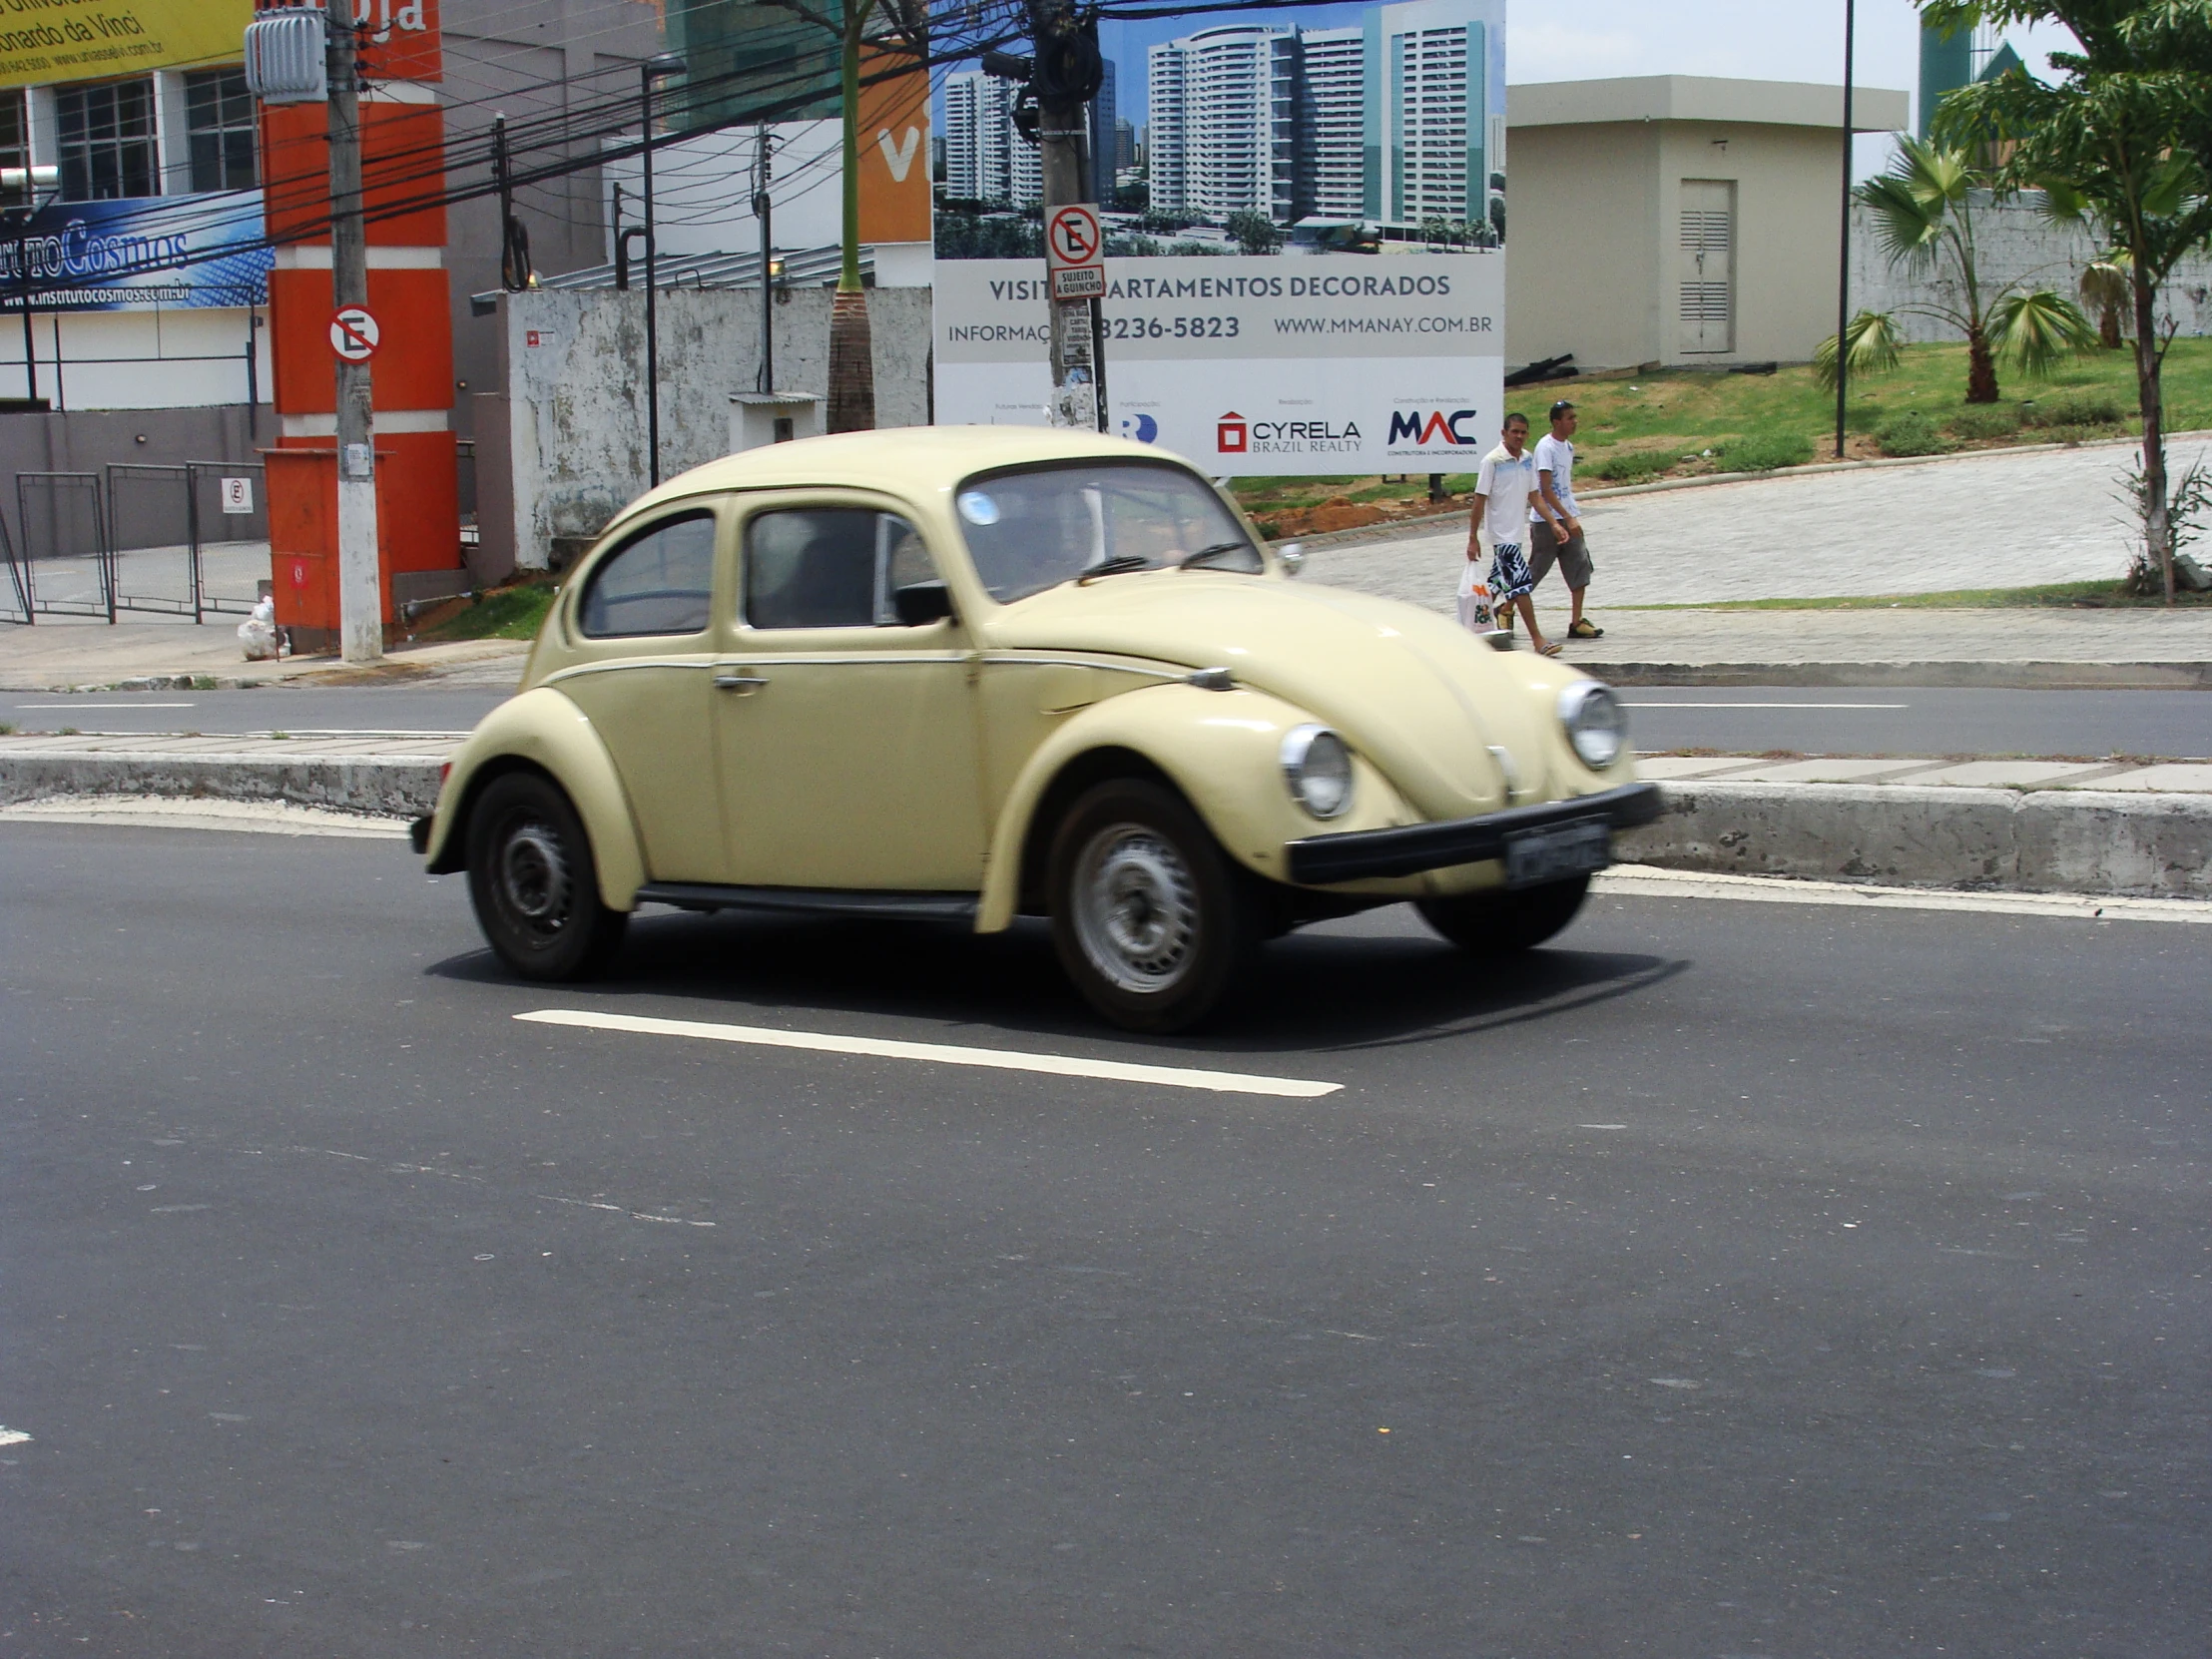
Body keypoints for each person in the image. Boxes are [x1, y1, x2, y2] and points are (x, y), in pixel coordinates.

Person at [1465, 411, 1565, 657]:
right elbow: (1479, 500)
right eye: (1514, 432)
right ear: (1504, 433)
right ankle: (1538, 640)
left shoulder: (1528, 460)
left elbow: (1534, 496)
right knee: (1520, 586)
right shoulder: (1492, 461)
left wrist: (1553, 522)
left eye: (1523, 432)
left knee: (1494, 586)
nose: (1519, 437)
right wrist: (1473, 537)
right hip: (1502, 537)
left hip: (1515, 534)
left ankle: (1465, 632)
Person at [1524, 398, 1603, 640]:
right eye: (1569, 418)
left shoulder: (1568, 447)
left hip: (1569, 517)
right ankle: (1506, 608)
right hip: (1548, 521)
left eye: (1574, 417)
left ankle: (1576, 621)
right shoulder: (1545, 448)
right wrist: (1564, 519)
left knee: (1580, 566)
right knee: (1536, 570)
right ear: (1556, 422)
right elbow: (1545, 489)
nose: (1574, 422)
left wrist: (1572, 515)